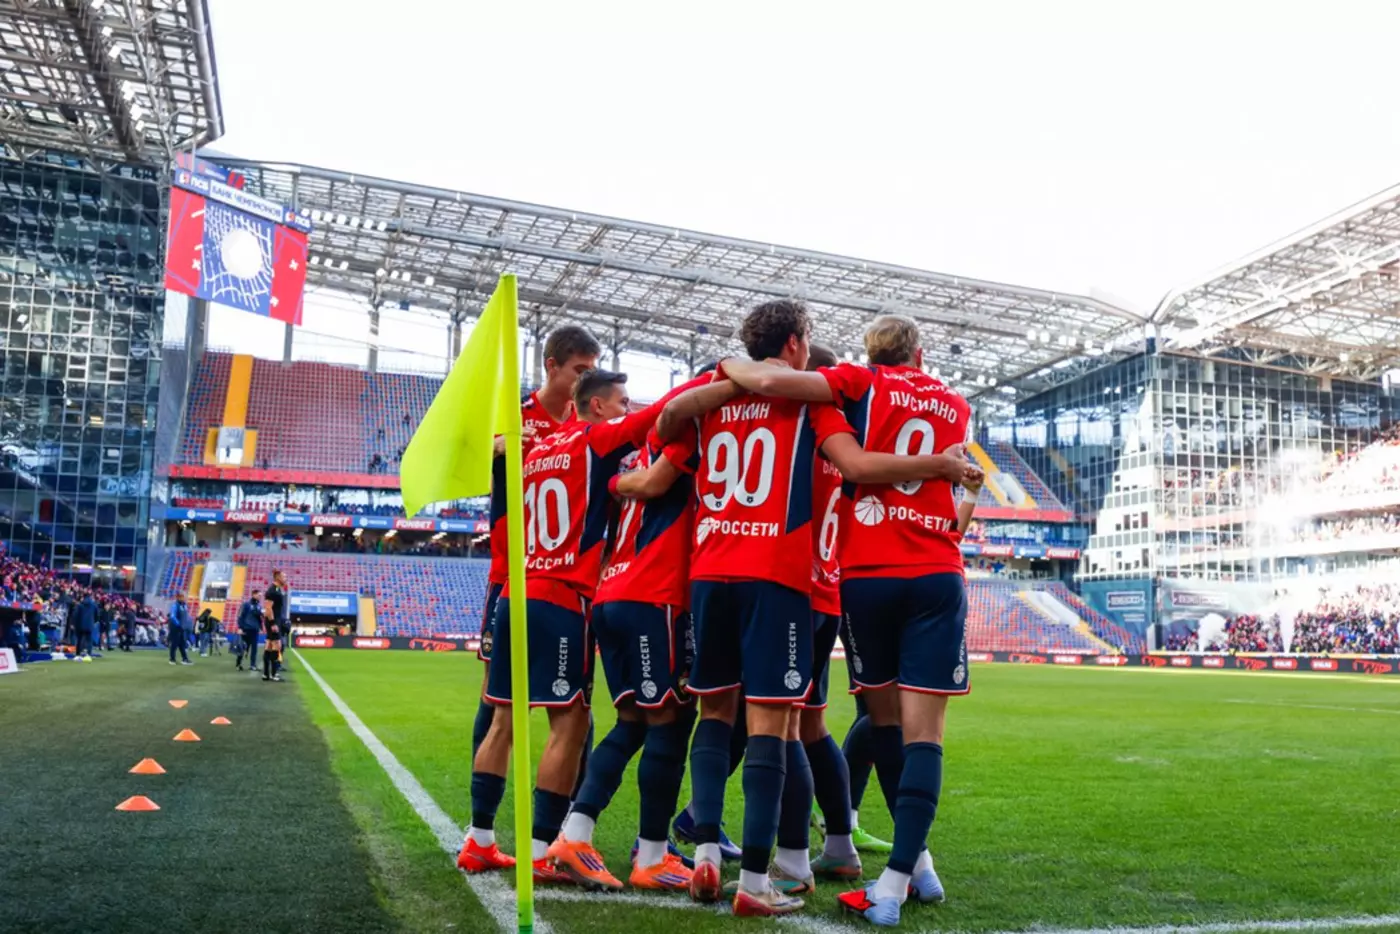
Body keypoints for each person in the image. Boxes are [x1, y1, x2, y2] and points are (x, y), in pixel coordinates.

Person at [653, 301, 977, 917]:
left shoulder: (737, 398)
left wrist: (723, 374)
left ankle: (711, 848)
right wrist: (940, 466)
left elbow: (667, 425)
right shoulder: (877, 405)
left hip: (740, 570)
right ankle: (826, 864)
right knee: (807, 726)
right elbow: (860, 463)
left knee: (727, 714)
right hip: (816, 578)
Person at [460, 369, 664, 885]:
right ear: (597, 406)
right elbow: (659, 417)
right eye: (621, 401)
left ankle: (479, 840)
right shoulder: (596, 439)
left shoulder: (535, 450)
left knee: (503, 720)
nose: (626, 409)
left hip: (515, 592)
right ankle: (539, 850)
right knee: (570, 723)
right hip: (563, 595)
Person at [545, 367, 718, 893]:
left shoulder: (628, 452)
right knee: (671, 720)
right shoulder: (686, 436)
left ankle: (576, 832)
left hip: (613, 594)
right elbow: (657, 483)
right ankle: (652, 855)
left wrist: (617, 484)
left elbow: (634, 483)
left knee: (632, 723)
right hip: (653, 595)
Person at [471, 326, 601, 770]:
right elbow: (465, 465)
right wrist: (496, 448)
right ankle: (481, 808)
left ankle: (572, 808)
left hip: (570, 580)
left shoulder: (589, 421)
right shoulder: (513, 415)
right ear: (551, 366)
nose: (587, 378)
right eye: (580, 369)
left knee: (575, 703)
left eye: (592, 370)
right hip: (510, 574)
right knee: (497, 699)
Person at [266, 570, 291, 671]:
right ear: (278, 578)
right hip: (274, 622)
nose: (286, 579)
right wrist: (273, 623)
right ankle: (274, 672)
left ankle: (269, 672)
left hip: (277, 621)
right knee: (276, 646)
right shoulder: (273, 590)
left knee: (272, 646)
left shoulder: (278, 589)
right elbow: (268, 608)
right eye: (284, 577)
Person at [237, 590, 262, 673]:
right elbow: (240, 616)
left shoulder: (259, 606)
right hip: (246, 629)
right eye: (259, 595)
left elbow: (259, 618)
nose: (260, 597)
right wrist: (240, 627)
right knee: (244, 647)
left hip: (255, 630)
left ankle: (252, 665)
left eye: (260, 595)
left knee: (254, 649)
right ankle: (238, 663)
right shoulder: (246, 604)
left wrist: (260, 627)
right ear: (253, 594)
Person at [168, 601, 193, 666]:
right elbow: (173, 617)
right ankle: (172, 659)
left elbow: (184, 617)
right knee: (174, 643)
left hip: (181, 627)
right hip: (175, 627)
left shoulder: (184, 606)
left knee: (182, 643)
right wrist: (179, 625)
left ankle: (184, 659)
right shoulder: (175, 605)